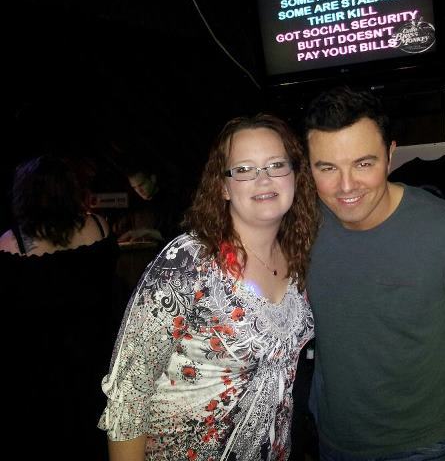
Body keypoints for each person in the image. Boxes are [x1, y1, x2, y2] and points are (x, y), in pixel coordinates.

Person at [304, 86, 445, 461]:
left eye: (363, 164)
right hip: (332, 441)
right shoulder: (302, 227)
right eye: (327, 168)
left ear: (390, 155)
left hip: (422, 447)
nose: (346, 186)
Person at [99, 114, 318, 460]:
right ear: (223, 187)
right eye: (244, 169)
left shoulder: (299, 255)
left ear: (294, 175)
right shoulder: (188, 262)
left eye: (276, 165)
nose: (263, 179)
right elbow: (129, 392)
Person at [0, 155, 120, 459]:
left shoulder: (10, 243)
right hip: (93, 370)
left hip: (38, 378)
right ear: (71, 190)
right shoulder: (99, 227)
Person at [114, 163, 190, 244]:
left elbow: (177, 234)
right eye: (134, 187)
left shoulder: (172, 202)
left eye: (141, 185)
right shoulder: (135, 206)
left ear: (153, 179)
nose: (139, 191)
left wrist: (147, 232)